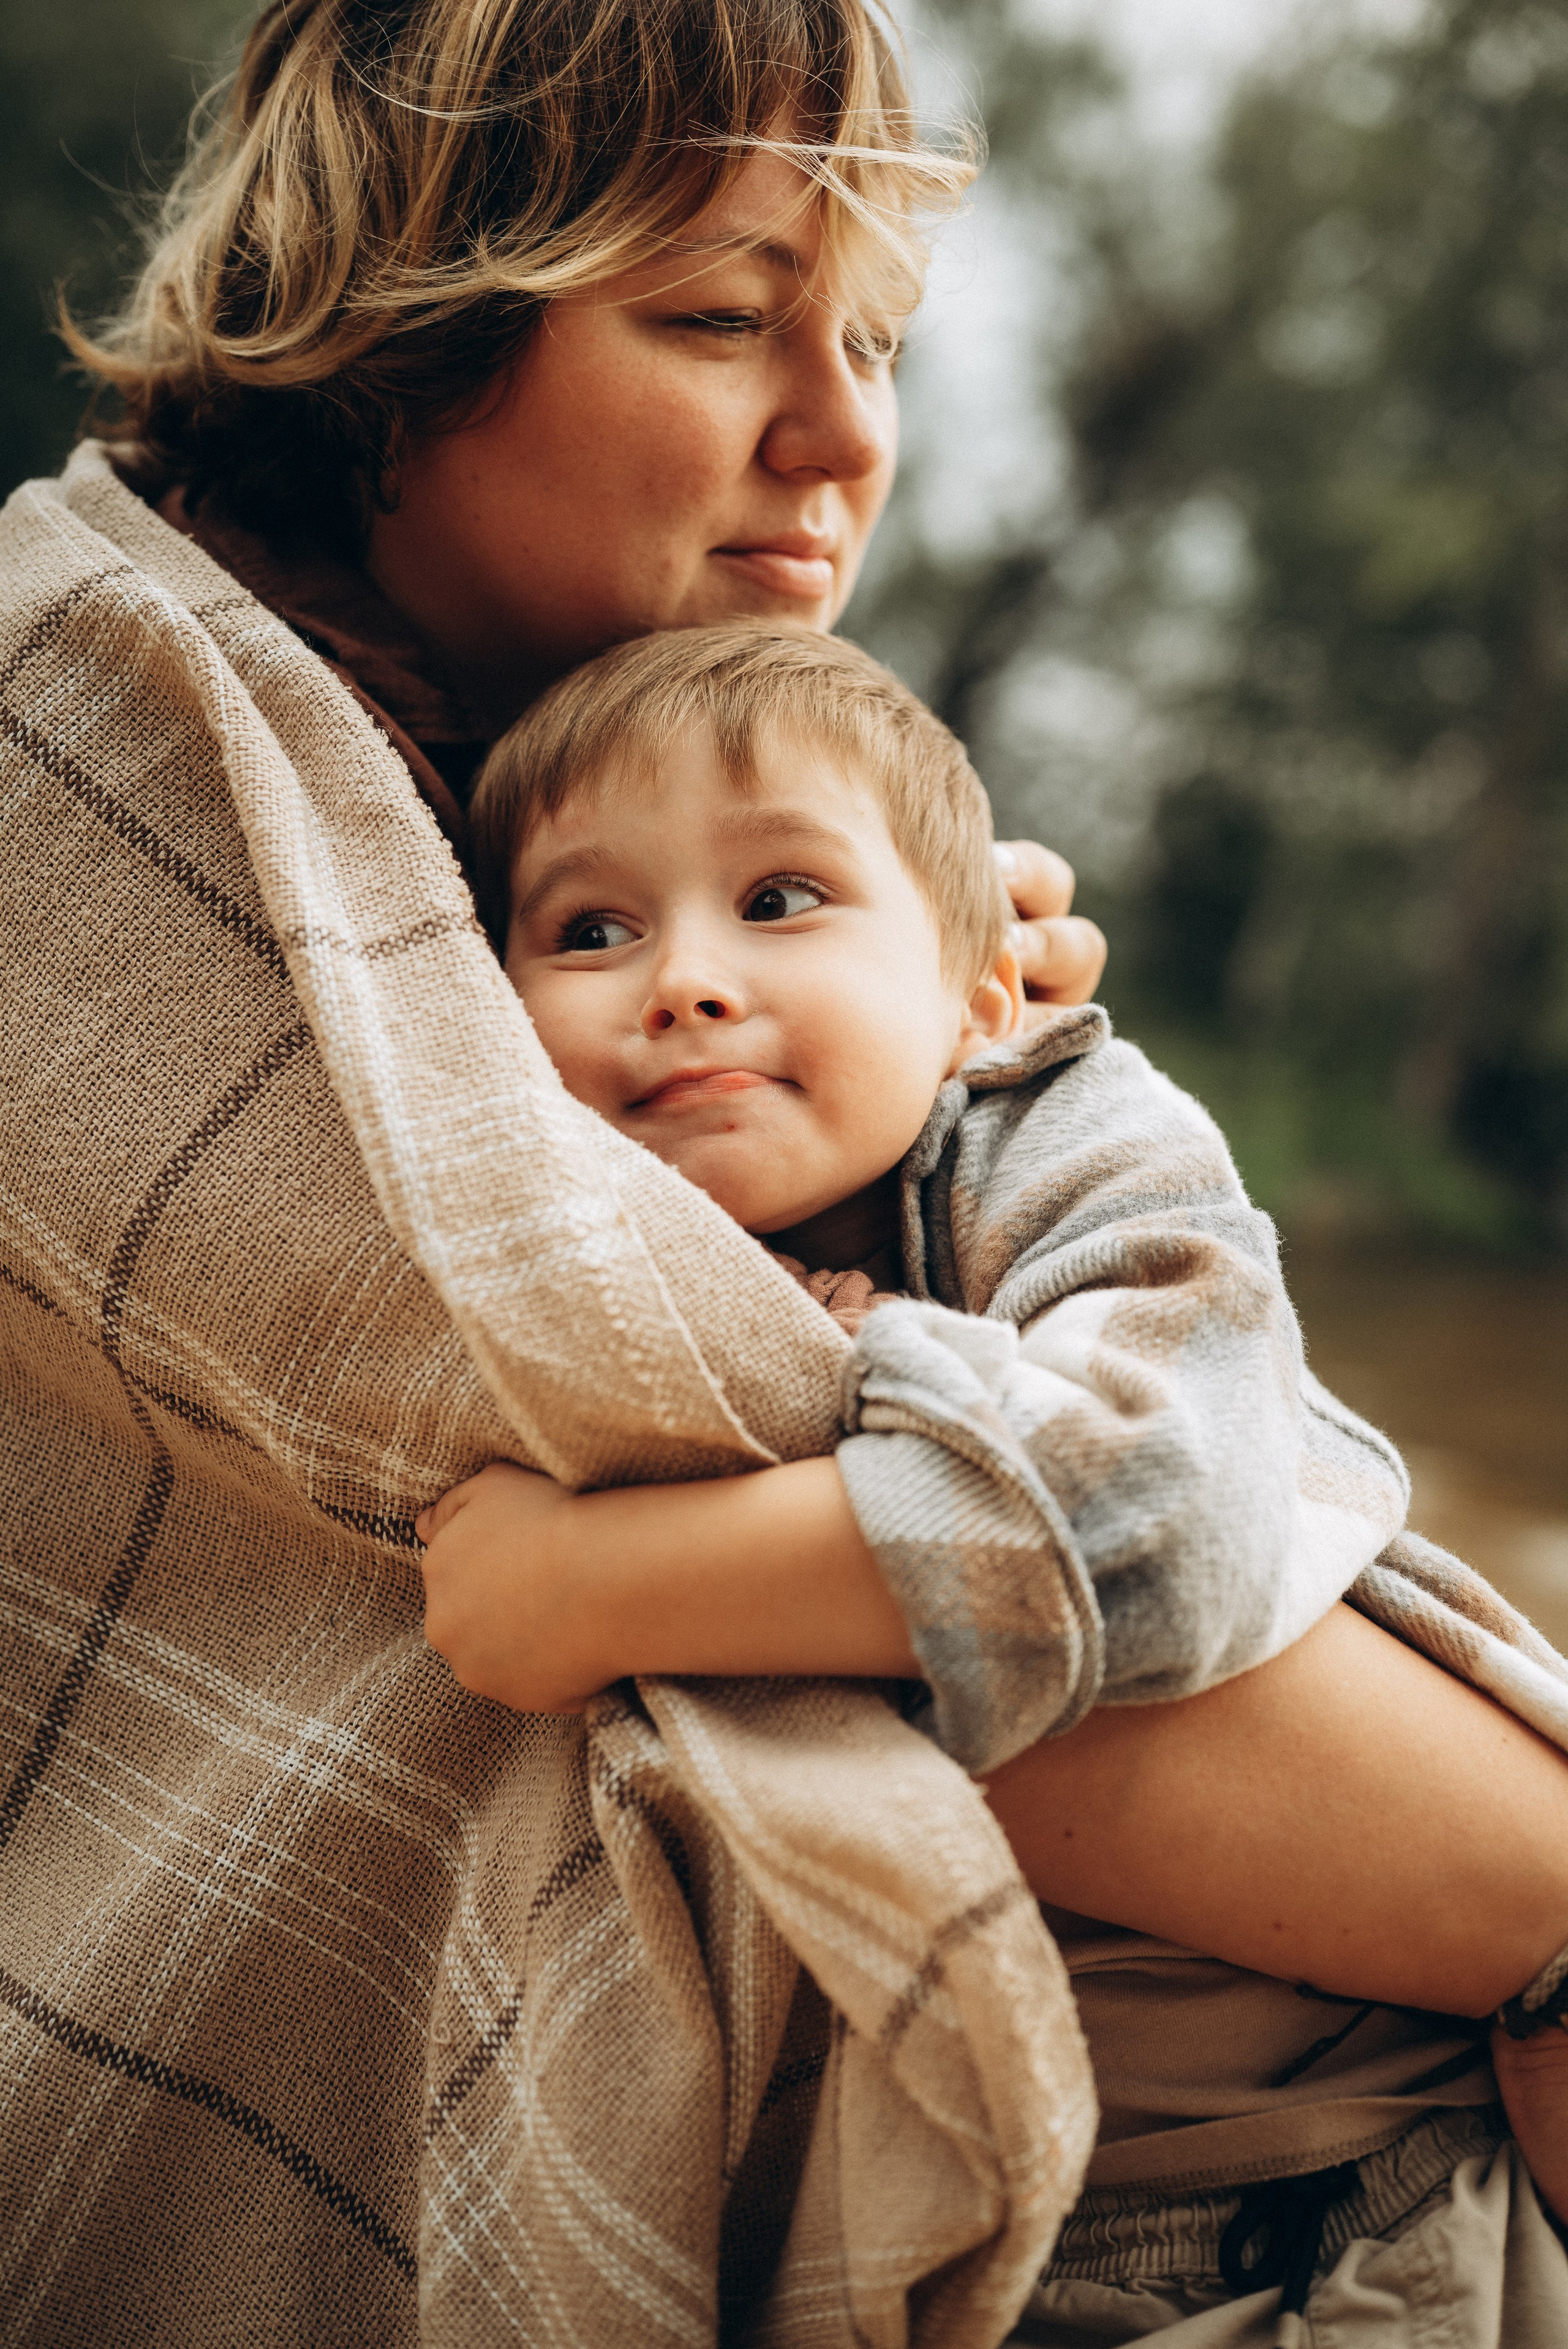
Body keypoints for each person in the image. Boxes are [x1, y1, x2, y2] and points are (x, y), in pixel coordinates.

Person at [1, 0, 1563, 2339]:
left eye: (882, 337)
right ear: (395, 344)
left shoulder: (545, 797)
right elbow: (679, 1460)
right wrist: (1535, 1903)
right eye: (724, 316)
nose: (845, 438)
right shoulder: (111, 764)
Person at [416, 617, 1568, 2339]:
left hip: (1329, 2215)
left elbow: (1164, 1506)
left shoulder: (1067, 1132)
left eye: (782, 898)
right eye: (592, 928)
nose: (686, 978)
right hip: (950, 2213)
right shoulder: (573, 1262)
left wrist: (596, 1586)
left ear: (978, 991)